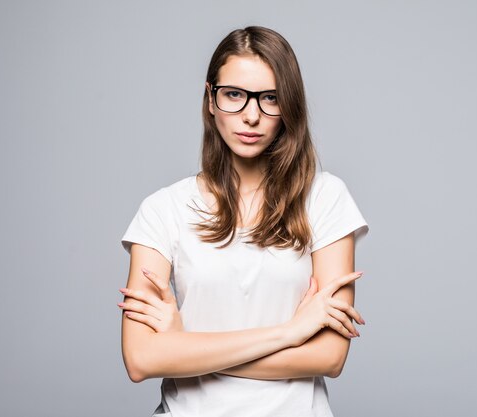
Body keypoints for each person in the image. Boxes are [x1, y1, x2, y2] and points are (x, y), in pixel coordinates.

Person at [118, 26, 369, 417]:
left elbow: (330, 357)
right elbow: (141, 360)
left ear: (289, 107)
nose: (251, 116)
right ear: (210, 100)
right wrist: (288, 334)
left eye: (270, 98)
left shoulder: (325, 198)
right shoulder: (162, 209)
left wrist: (184, 347)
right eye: (234, 95)